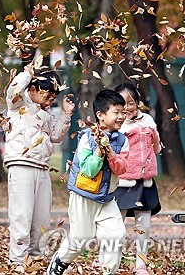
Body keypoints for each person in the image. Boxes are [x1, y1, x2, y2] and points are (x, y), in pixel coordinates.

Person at [47, 89, 129, 275]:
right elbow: (89, 170)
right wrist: (99, 152)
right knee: (81, 239)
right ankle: (60, 261)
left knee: (116, 235)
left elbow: (121, 169)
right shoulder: (86, 138)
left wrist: (109, 151)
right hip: (84, 195)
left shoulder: (123, 140)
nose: (121, 117)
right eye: (116, 112)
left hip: (107, 199)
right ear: (100, 115)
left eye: (123, 112)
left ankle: (108, 271)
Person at [5, 60, 75, 265]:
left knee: (41, 219)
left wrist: (66, 115)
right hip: (21, 165)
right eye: (47, 95)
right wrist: (27, 73)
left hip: (42, 168)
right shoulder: (18, 104)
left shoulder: (47, 113)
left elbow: (55, 137)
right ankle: (17, 260)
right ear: (33, 89)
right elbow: (13, 90)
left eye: (54, 97)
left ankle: (35, 258)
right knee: (21, 216)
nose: (50, 100)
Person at [113, 83, 161, 275]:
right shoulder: (117, 123)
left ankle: (140, 265)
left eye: (131, 102)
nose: (127, 108)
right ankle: (110, 261)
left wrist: (155, 147)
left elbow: (156, 144)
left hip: (145, 181)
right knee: (116, 225)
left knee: (144, 227)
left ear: (137, 102)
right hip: (123, 182)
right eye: (122, 103)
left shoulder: (148, 120)